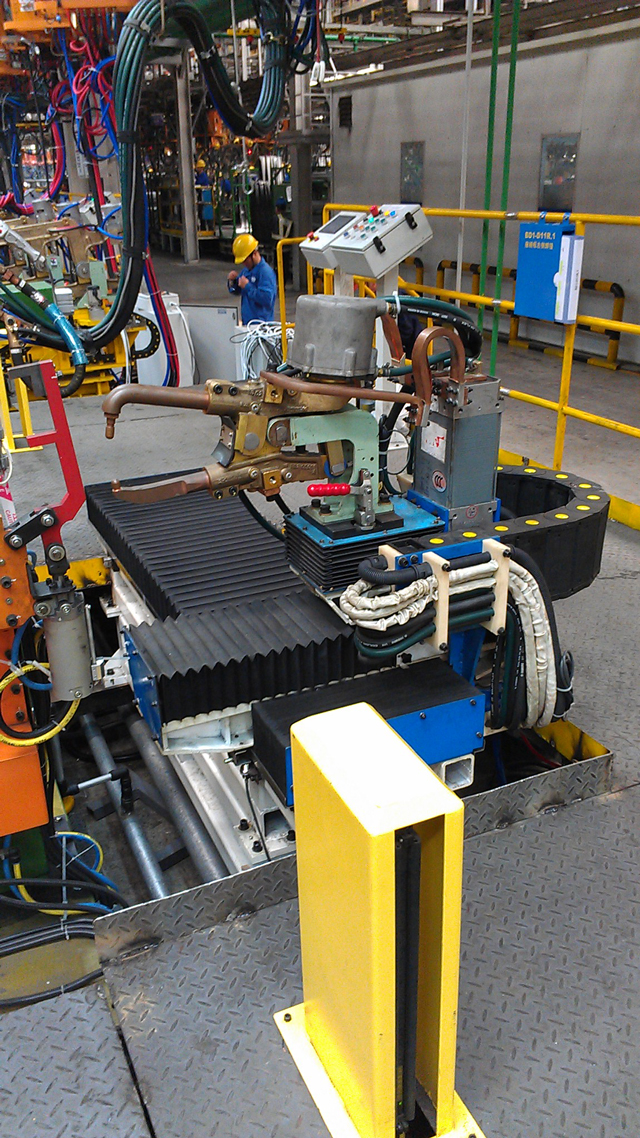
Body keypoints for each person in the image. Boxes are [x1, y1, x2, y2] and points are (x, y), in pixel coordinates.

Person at [227, 232, 277, 324]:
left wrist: (247, 286)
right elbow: (236, 290)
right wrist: (232, 282)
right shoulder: (246, 271)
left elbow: (267, 299)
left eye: (245, 260)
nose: (244, 264)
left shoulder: (265, 273)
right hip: (248, 323)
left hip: (261, 325)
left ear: (254, 254)